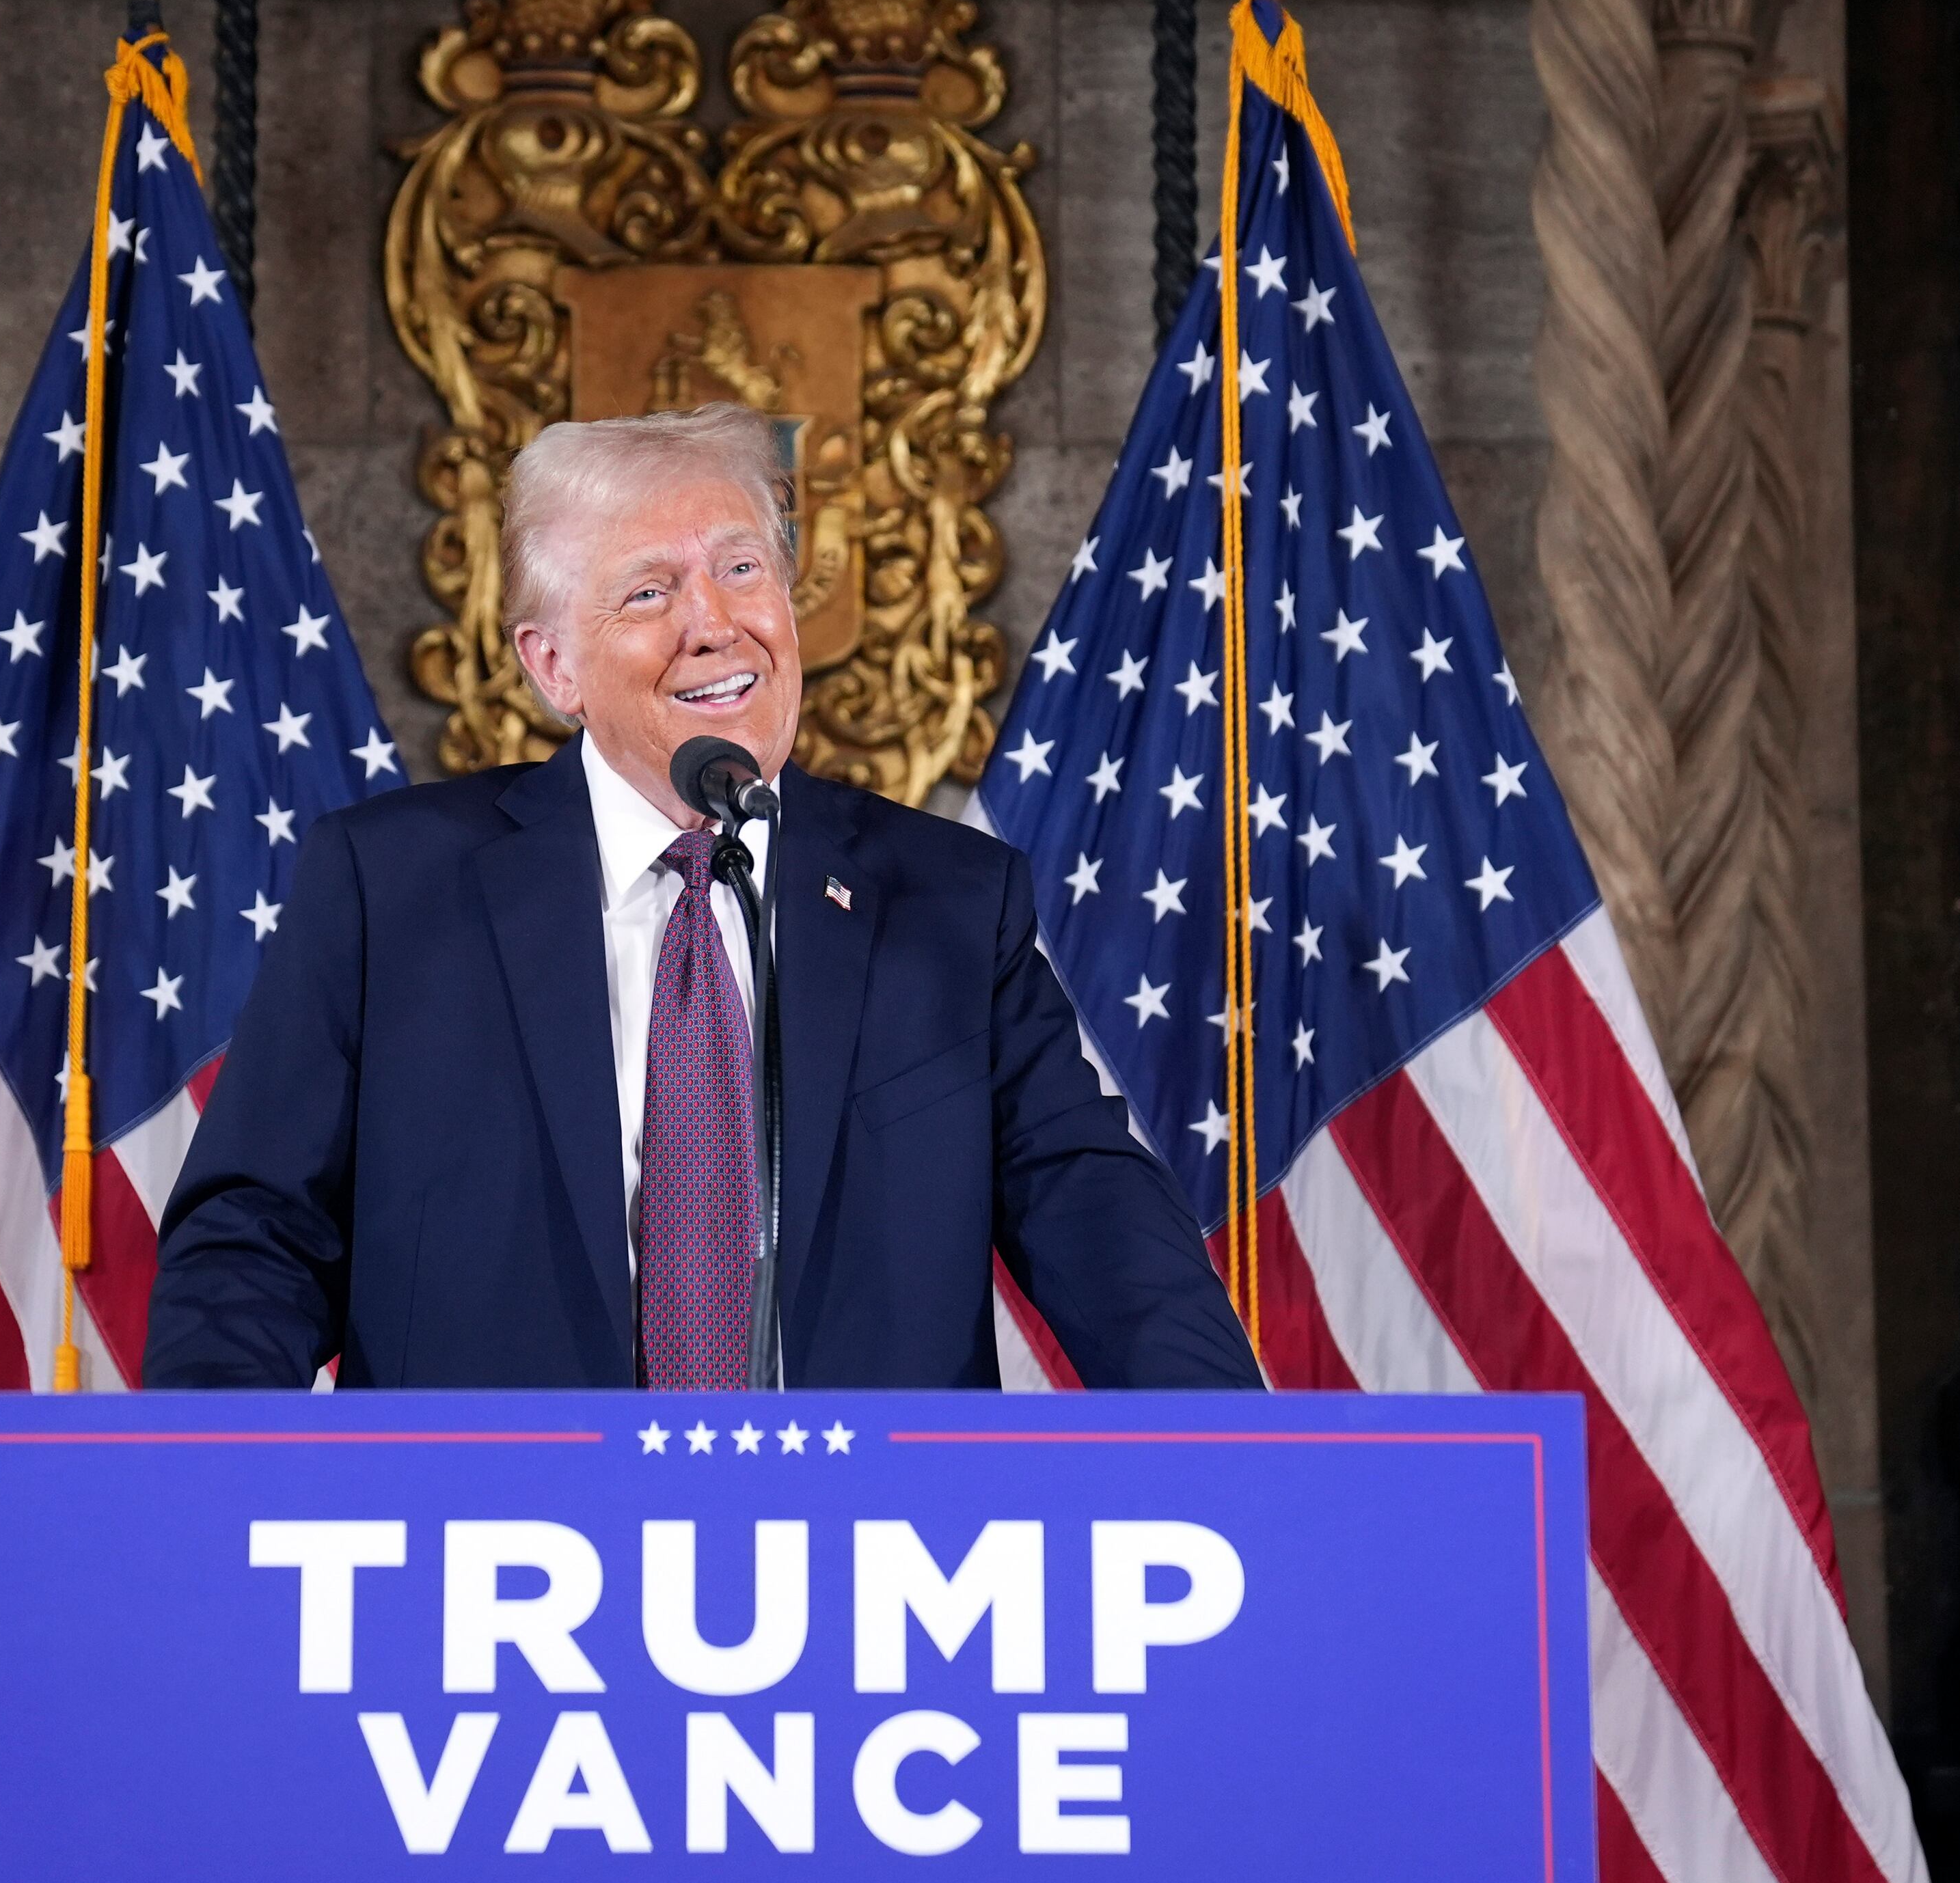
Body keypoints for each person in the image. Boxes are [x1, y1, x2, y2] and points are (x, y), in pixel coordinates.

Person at [145, 404, 1261, 1390]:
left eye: (742, 569)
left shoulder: (952, 902)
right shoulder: (389, 890)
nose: (715, 621)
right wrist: (207, 1503)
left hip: (867, 1564)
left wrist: (1259, 1479)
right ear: (553, 667)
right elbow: (254, 1239)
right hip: (481, 1564)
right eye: (649, 590)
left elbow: (1101, 1222)